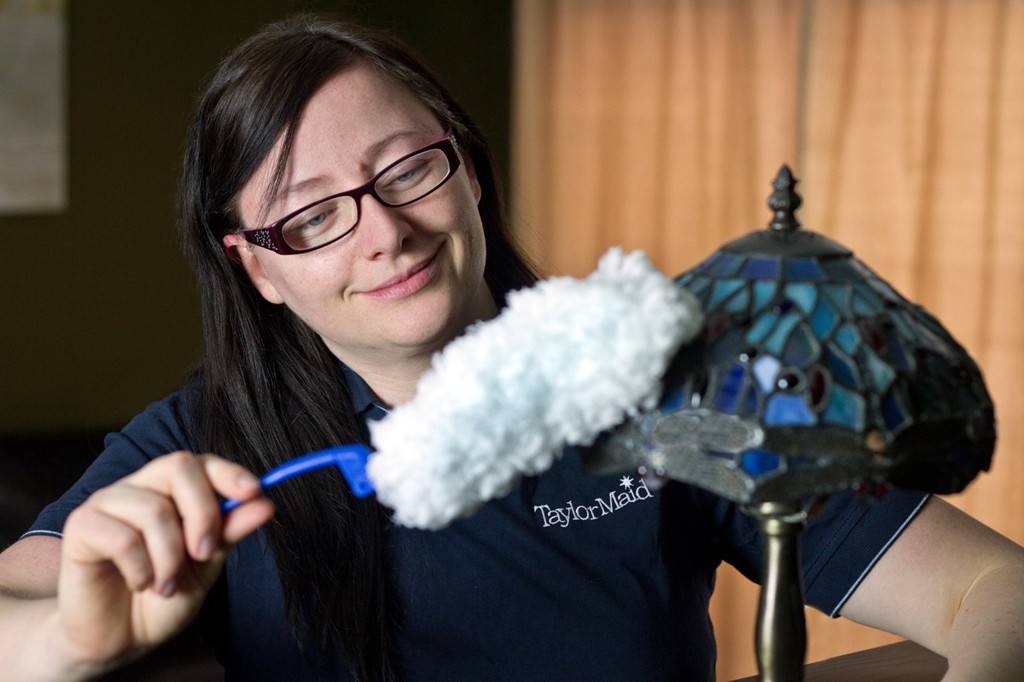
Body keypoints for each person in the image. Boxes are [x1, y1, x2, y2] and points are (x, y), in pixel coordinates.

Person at [0, 13, 1022, 682]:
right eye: (311, 217)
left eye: (407, 169)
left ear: (470, 171)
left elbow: (991, 592)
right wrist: (66, 636)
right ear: (256, 269)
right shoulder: (207, 447)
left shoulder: (658, 387)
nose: (383, 232)